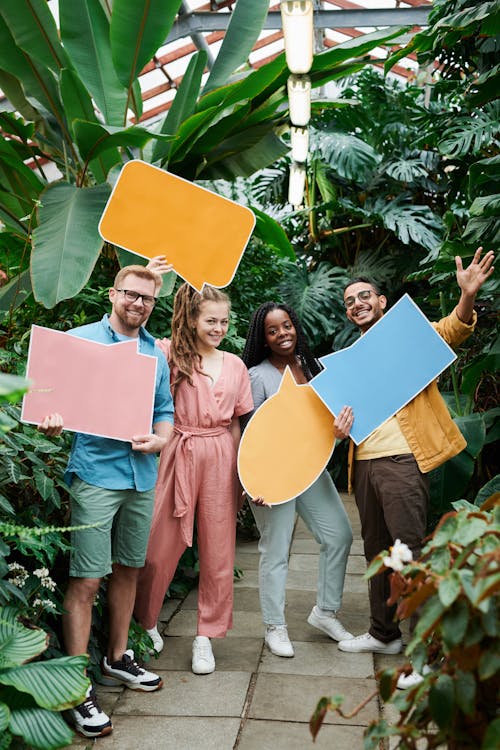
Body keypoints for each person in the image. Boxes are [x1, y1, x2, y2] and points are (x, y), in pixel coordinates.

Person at [336, 248, 495, 685]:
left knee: (410, 551)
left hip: (404, 460)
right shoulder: (351, 359)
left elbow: (452, 331)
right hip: (364, 464)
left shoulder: (407, 335)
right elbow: (343, 416)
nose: (357, 304)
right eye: (349, 302)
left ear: (382, 301)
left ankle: (427, 654)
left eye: (364, 295)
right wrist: (339, 427)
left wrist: (466, 297)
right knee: (377, 553)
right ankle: (383, 633)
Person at [39, 265, 174, 738]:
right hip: (96, 475)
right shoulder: (80, 341)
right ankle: (78, 688)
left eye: (148, 299)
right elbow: (46, 397)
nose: (139, 304)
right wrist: (50, 418)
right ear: (114, 293)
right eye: (132, 295)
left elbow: (164, 411)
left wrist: (160, 440)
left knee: (129, 569)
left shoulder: (154, 352)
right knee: (87, 580)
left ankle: (116, 658)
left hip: (141, 475)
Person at [134, 281, 254, 675]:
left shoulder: (235, 365)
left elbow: (237, 423)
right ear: (192, 318)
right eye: (210, 320)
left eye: (224, 321)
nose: (219, 328)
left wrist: (240, 475)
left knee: (219, 553)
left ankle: (206, 636)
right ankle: (147, 621)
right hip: (177, 449)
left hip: (221, 453)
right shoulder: (170, 353)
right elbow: (137, 344)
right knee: (157, 546)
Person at [241, 301, 354, 657]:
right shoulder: (257, 376)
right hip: (271, 477)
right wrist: (254, 482)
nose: (282, 334)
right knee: (275, 551)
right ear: (263, 338)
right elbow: (248, 435)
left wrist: (337, 432)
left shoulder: (312, 366)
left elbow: (323, 420)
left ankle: (325, 612)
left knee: (339, 535)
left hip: (309, 469)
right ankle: (275, 626)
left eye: (286, 326)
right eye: (272, 331)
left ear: (295, 326)